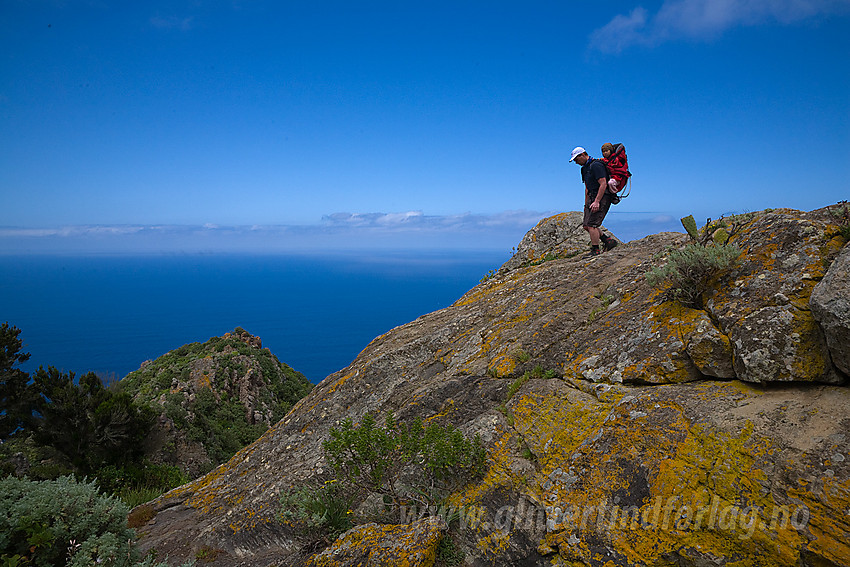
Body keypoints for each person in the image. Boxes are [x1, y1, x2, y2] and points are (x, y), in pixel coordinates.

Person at [569, 146, 618, 256]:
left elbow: (603, 183)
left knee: (592, 225)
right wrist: (586, 203)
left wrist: (597, 201)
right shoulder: (584, 169)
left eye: (577, 159)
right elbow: (587, 186)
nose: (576, 162)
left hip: (602, 197)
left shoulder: (596, 165)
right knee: (586, 225)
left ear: (582, 155)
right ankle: (608, 241)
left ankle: (595, 250)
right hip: (591, 196)